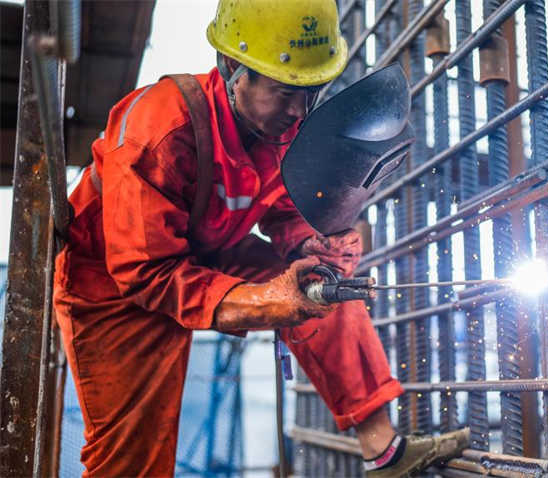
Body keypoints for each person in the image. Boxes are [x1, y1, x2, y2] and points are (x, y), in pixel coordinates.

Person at [53, 0, 468, 476]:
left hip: (209, 248)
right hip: (116, 282)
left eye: (309, 91)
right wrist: (264, 300)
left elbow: (285, 207)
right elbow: (147, 273)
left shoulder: (279, 125)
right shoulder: (160, 132)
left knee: (321, 287)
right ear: (232, 68)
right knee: (133, 459)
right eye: (283, 91)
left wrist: (308, 243)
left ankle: (385, 453)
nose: (297, 111)